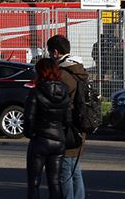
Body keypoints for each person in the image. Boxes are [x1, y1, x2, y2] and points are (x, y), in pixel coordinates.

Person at [46, 35, 88, 199]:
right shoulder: (79, 70)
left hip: (66, 129)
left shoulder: (63, 74)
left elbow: (55, 102)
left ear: (55, 52)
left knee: (64, 173)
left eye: (50, 53)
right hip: (80, 126)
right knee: (75, 171)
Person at [23, 57, 71, 199]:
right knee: (55, 181)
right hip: (58, 139)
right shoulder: (65, 91)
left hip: (40, 139)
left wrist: (29, 133)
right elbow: (68, 119)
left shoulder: (36, 91)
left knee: (34, 183)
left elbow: (29, 117)